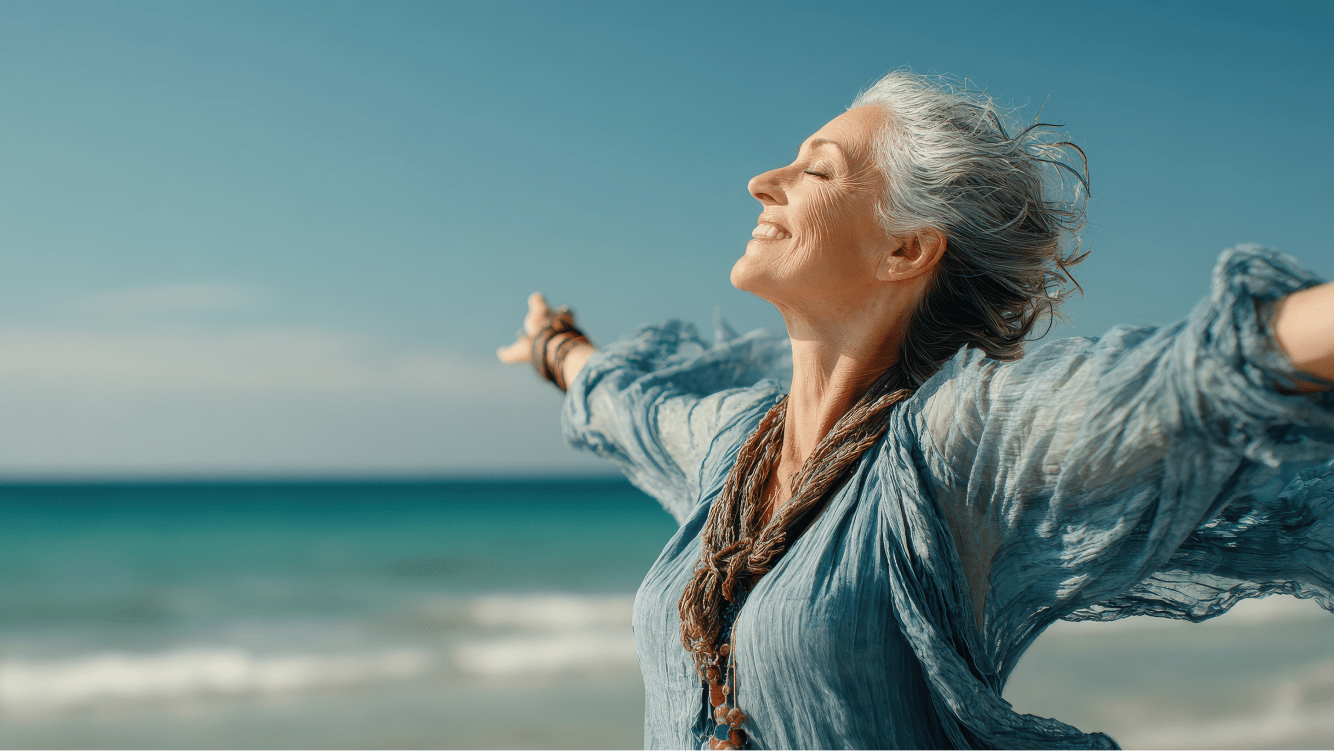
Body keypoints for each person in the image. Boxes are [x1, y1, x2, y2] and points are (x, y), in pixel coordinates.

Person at [497, 70, 1334, 751]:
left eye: (815, 170)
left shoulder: (947, 451)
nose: (763, 182)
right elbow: (630, 404)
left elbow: (1188, 377)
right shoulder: (732, 443)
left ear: (906, 248)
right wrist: (557, 348)